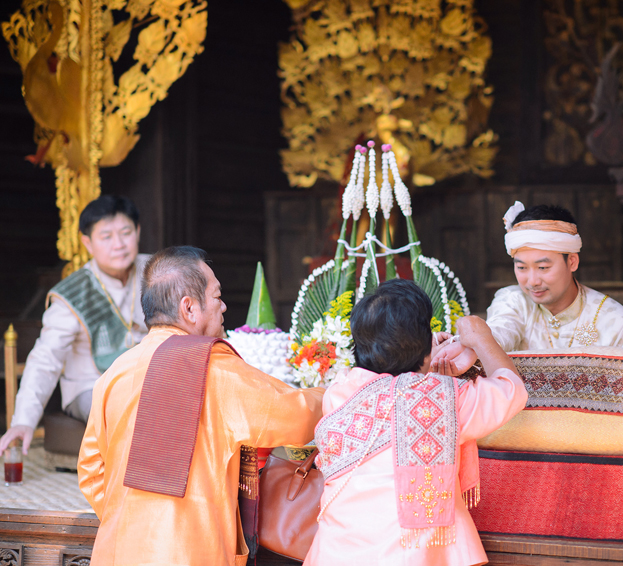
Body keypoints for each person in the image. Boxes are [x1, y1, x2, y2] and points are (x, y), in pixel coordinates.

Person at [77, 246, 325, 566]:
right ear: (189, 308)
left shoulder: (116, 373)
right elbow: (297, 417)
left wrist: (135, 520)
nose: (223, 306)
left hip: (118, 551)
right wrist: (333, 391)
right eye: (217, 296)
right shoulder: (214, 369)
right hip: (190, 554)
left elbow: (90, 471)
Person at [305, 279, 528, 566]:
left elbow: (392, 387)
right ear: (423, 349)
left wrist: (424, 358)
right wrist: (481, 338)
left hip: (336, 554)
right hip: (412, 557)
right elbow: (512, 391)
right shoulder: (444, 397)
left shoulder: (339, 391)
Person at [1, 195, 149, 455]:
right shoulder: (72, 294)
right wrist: (23, 420)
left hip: (150, 381)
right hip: (92, 387)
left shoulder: (156, 271)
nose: (119, 245)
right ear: (87, 243)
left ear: (137, 231)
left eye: (126, 232)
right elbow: (46, 358)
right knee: (123, 406)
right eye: (106, 237)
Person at [486, 202, 623, 351]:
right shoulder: (513, 301)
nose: (532, 281)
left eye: (543, 267)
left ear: (572, 262)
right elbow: (497, 335)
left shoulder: (617, 322)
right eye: (521, 267)